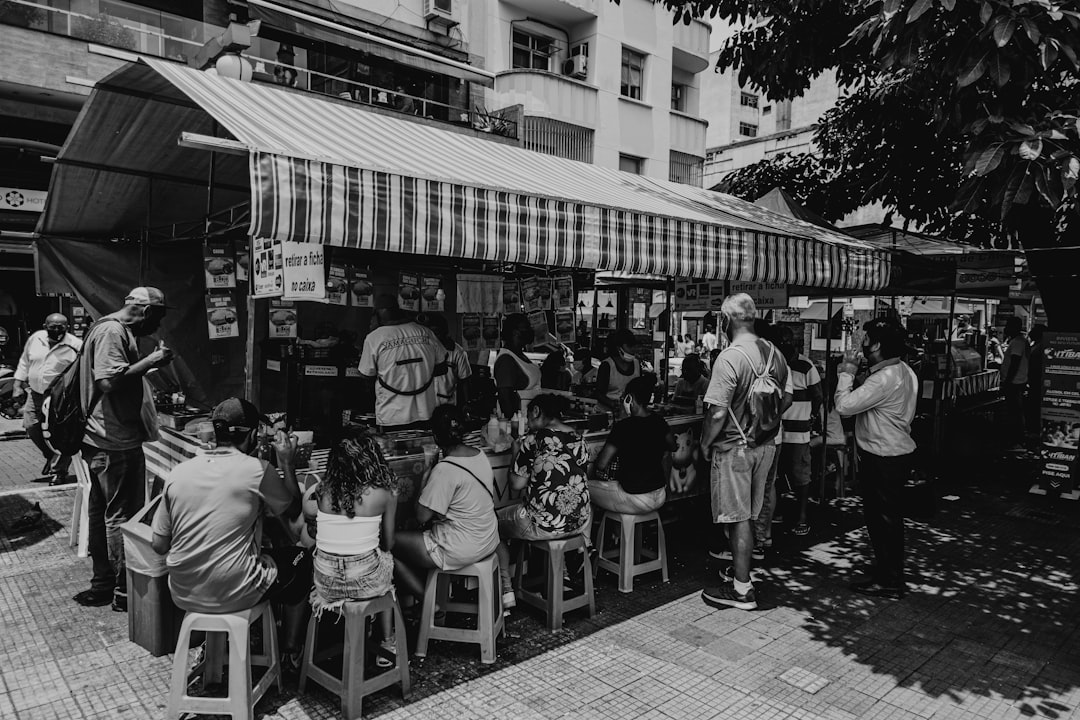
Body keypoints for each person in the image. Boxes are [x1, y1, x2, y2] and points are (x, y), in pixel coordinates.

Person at [151, 398, 310, 667]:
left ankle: (219, 645)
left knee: (254, 556)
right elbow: (293, 509)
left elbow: (158, 544)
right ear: (252, 435)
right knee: (300, 559)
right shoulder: (257, 471)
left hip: (183, 590)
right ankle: (291, 649)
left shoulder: (178, 473)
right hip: (236, 590)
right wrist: (286, 461)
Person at [76, 287, 174, 611]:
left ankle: (105, 583)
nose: (156, 327)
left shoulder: (118, 332)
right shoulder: (111, 331)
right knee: (121, 517)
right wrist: (151, 360)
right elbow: (107, 381)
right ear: (146, 312)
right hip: (112, 441)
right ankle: (122, 591)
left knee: (107, 513)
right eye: (157, 318)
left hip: (113, 439)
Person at [699, 294, 789, 611]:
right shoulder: (774, 353)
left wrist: (705, 443)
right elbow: (787, 398)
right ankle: (740, 575)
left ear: (727, 320)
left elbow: (717, 413)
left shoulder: (729, 357)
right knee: (748, 516)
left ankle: (741, 590)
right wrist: (765, 418)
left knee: (738, 519)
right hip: (765, 444)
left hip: (734, 448)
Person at [835, 318, 918, 600]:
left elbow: (844, 406)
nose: (861, 343)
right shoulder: (902, 371)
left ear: (878, 345)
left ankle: (890, 580)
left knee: (882, 520)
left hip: (883, 457)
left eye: (865, 338)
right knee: (887, 519)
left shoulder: (885, 378)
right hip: (895, 454)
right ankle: (887, 572)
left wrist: (847, 372)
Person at [304, 430, 399, 668]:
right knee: (386, 561)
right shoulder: (386, 492)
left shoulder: (323, 490)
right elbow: (387, 543)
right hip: (366, 583)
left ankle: (350, 636)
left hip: (326, 584)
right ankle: (387, 641)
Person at [392, 405, 501, 604]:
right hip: (488, 540)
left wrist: (426, 474)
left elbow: (421, 516)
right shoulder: (479, 455)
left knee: (387, 545)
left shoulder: (444, 470)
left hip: (461, 548)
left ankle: (429, 604)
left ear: (435, 435)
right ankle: (427, 602)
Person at [496, 394, 591, 606]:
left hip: (543, 524)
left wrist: (515, 454)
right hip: (578, 522)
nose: (528, 423)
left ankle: (506, 590)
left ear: (537, 411)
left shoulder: (534, 440)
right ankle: (562, 576)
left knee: (491, 523)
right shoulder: (580, 439)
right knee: (554, 515)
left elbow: (516, 484)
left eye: (528, 416)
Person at [12, 313, 82, 484]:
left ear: (68, 327)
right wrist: (17, 385)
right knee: (31, 425)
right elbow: (24, 362)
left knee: (61, 433)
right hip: (35, 393)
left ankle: (59, 471)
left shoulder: (76, 345)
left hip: (60, 399)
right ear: (45, 326)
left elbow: (81, 371)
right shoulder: (36, 339)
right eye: (53, 326)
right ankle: (51, 454)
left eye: (61, 327)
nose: (57, 330)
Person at [590, 374, 674, 514]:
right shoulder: (659, 421)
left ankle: (605, 535)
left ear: (630, 399)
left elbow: (601, 464)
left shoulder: (623, 427)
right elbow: (672, 446)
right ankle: (617, 533)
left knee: (584, 489)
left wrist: (623, 417)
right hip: (659, 495)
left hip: (634, 496)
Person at [358, 295, 444, 430]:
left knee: (393, 450)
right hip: (425, 412)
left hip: (392, 415)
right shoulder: (426, 332)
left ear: (382, 312)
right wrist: (419, 375)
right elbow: (442, 367)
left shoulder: (374, 338)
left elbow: (366, 375)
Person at [775, 325, 822, 537]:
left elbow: (818, 395)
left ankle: (802, 516)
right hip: (775, 431)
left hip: (798, 430)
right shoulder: (773, 364)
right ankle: (778, 511)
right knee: (776, 475)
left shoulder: (806, 365)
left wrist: (811, 417)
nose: (782, 346)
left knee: (800, 475)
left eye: (785, 342)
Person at [494, 313, 541, 417]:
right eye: (527, 328)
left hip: (531, 420)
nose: (530, 331)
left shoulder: (519, 355)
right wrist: (514, 425)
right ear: (515, 333)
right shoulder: (506, 360)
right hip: (519, 423)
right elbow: (505, 398)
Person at [422, 313, 471, 407]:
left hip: (447, 404)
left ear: (445, 332)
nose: (434, 337)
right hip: (426, 405)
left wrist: (467, 404)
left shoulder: (458, 352)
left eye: (437, 333)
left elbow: (465, 380)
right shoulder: (424, 350)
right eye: (430, 334)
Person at [595, 328, 641, 416]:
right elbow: (599, 393)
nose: (633, 349)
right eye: (629, 346)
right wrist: (613, 404)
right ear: (618, 348)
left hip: (629, 412)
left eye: (634, 346)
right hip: (607, 413)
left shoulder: (636, 364)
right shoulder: (607, 365)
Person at [1000, 316, 1030, 451]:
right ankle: (1017, 439)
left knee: (1014, 412)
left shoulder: (1017, 342)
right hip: (1017, 381)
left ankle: (1016, 441)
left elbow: (1015, 362)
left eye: (1008, 325)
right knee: (1016, 411)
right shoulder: (1019, 341)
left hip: (1014, 383)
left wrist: (1007, 382)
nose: (1005, 328)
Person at [1027, 324, 1047, 438]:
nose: (1030, 332)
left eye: (1033, 330)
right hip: (1033, 382)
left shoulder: (1041, 347)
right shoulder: (1036, 345)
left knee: (1034, 408)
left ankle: (1034, 433)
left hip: (1037, 383)